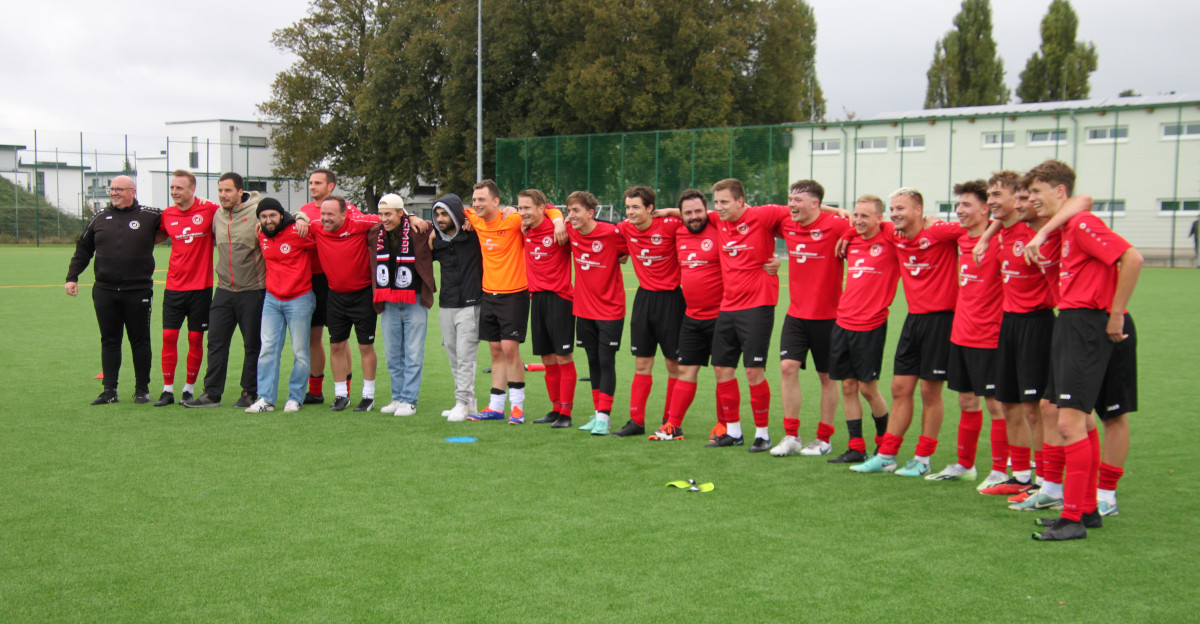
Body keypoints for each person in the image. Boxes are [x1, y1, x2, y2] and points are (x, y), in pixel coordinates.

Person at [1023, 159, 1142, 541]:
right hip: (1072, 322)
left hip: (1089, 323)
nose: (1032, 200)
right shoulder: (1065, 228)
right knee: (1080, 420)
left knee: (1069, 422)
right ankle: (1086, 509)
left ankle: (1072, 517)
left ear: (1060, 191)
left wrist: (1116, 313)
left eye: (1038, 192)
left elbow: (1133, 258)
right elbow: (1077, 202)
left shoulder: (1083, 224)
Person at [851, 188, 960, 474]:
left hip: (941, 320)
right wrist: (842, 235)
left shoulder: (939, 233)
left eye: (901, 208)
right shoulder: (894, 235)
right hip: (913, 320)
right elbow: (854, 222)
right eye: (893, 209)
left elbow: (973, 229)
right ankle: (887, 455)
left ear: (918, 211)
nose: (895, 214)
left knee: (929, 392)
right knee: (900, 388)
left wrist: (936, 222)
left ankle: (923, 459)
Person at [184, 173, 300, 409]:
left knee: (253, 345)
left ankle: (249, 392)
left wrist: (303, 217)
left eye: (228, 190)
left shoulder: (258, 210)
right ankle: (212, 393)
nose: (223, 195)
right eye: (220, 190)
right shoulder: (217, 214)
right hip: (224, 290)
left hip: (253, 291)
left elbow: (289, 216)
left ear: (240, 191)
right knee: (216, 342)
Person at [463, 180, 565, 424]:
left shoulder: (513, 219)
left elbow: (546, 208)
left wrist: (559, 220)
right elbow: (446, 208)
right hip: (488, 294)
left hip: (515, 294)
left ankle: (517, 407)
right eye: (474, 200)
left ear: (496, 202)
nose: (476, 204)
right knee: (495, 350)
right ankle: (496, 406)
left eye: (481, 200)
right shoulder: (474, 218)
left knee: (510, 349)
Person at [926, 180, 1006, 483]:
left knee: (996, 404)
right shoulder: (960, 238)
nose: (959, 211)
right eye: (957, 205)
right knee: (966, 401)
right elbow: (931, 227)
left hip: (991, 333)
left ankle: (1001, 470)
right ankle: (965, 465)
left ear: (986, 209)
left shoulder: (1000, 241)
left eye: (966, 205)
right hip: (961, 332)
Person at [705, 179, 790, 453]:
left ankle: (763, 435)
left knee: (753, 370)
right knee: (722, 369)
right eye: (716, 202)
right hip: (728, 306)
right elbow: (683, 213)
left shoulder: (764, 215)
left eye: (725, 202)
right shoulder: (718, 220)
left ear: (741, 201)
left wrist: (777, 258)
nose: (719, 208)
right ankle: (733, 431)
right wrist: (660, 212)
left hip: (758, 305)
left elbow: (802, 212)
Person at [65, 174, 163, 405]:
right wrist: (72, 277)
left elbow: (176, 224)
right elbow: (83, 249)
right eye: (112, 189)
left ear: (133, 191)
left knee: (140, 341)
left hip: (138, 291)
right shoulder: (99, 217)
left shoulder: (151, 215)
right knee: (109, 340)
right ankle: (109, 390)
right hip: (105, 290)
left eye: (119, 189)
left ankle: (142, 389)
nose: (114, 193)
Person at [770, 180, 850, 457]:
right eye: (790, 198)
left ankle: (824, 439)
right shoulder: (787, 223)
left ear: (815, 204)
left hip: (829, 317)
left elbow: (864, 228)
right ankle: (791, 435)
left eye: (798, 200)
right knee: (787, 368)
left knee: (827, 377)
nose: (792, 204)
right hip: (796, 315)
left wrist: (844, 213)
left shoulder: (837, 225)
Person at [825, 195, 898, 463]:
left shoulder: (891, 240)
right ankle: (856, 447)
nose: (858, 220)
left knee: (868, 388)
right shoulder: (852, 239)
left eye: (866, 216)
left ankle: (884, 444)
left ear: (880, 218)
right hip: (843, 322)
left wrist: (877, 226)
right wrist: (849, 229)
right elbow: (837, 217)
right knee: (847, 386)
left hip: (872, 324)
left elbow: (898, 227)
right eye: (856, 215)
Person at [649, 190, 724, 441]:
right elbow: (676, 216)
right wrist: (672, 212)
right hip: (691, 317)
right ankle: (673, 425)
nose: (694, 217)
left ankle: (724, 426)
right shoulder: (680, 230)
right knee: (686, 371)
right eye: (688, 213)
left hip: (721, 316)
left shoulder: (718, 225)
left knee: (722, 373)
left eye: (699, 211)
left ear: (707, 211)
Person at [613, 185, 685, 437]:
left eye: (635, 207)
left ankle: (670, 420)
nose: (630, 212)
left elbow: (700, 216)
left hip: (672, 301)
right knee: (642, 363)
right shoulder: (624, 228)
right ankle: (636, 421)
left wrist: (670, 211)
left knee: (673, 365)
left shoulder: (670, 225)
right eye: (627, 207)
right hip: (643, 300)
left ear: (650, 208)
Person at [154, 170, 220, 406]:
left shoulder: (209, 209)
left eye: (179, 188)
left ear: (193, 190)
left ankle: (188, 389)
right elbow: (156, 235)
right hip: (174, 287)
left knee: (195, 338)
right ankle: (167, 389)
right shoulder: (167, 214)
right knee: (168, 336)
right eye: (172, 188)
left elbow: (235, 207)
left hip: (201, 288)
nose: (174, 192)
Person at [310, 195, 382, 412]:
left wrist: (413, 218)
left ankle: (368, 396)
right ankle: (342, 395)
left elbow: (391, 216)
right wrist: (301, 218)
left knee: (365, 346)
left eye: (331, 214)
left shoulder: (361, 223)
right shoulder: (316, 227)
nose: (325, 218)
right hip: (335, 296)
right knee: (336, 345)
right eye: (323, 214)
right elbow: (294, 222)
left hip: (362, 296)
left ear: (344, 214)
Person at [244, 197, 316, 413]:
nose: (268, 220)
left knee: (300, 351)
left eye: (272, 215)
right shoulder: (260, 233)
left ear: (281, 215)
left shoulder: (298, 231)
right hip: (272, 299)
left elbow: (323, 236)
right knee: (267, 349)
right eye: (264, 216)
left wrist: (302, 217)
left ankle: (295, 397)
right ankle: (266, 399)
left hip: (300, 298)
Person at [566, 190, 628, 436]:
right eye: (569, 211)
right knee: (592, 361)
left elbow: (633, 245)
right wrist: (560, 220)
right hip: (584, 309)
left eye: (576, 211)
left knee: (606, 360)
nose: (571, 215)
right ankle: (598, 413)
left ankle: (605, 416)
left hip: (610, 309)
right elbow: (545, 210)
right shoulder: (570, 230)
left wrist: (622, 255)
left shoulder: (611, 233)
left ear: (591, 213)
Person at [370, 193, 436, 416]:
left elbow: (444, 221)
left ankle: (409, 399)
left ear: (401, 213)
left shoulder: (419, 229)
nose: (384, 219)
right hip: (388, 300)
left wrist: (414, 217)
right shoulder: (375, 232)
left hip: (415, 298)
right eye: (381, 214)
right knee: (392, 354)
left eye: (388, 214)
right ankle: (398, 397)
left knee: (413, 352)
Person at [298, 169, 359, 405]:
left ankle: (346, 390)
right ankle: (315, 390)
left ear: (330, 186)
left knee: (339, 339)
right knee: (314, 336)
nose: (312, 186)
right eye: (311, 183)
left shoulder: (347, 209)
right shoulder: (303, 211)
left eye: (318, 183)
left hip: (334, 279)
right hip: (309, 280)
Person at [518, 189, 577, 428]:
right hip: (537, 299)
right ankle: (554, 408)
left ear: (542, 209)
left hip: (560, 298)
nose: (523, 213)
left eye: (527, 208)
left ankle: (566, 412)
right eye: (520, 208)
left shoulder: (560, 230)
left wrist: (558, 220)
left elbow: (553, 209)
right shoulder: (525, 230)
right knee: (547, 357)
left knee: (563, 356)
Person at [430, 193, 483, 421]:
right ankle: (469, 402)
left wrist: (471, 216)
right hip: (447, 305)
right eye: (437, 214)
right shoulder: (436, 241)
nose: (440, 218)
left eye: (444, 214)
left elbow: (496, 215)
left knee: (465, 356)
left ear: (455, 214)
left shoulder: (474, 235)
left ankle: (462, 402)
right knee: (453, 355)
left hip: (471, 304)